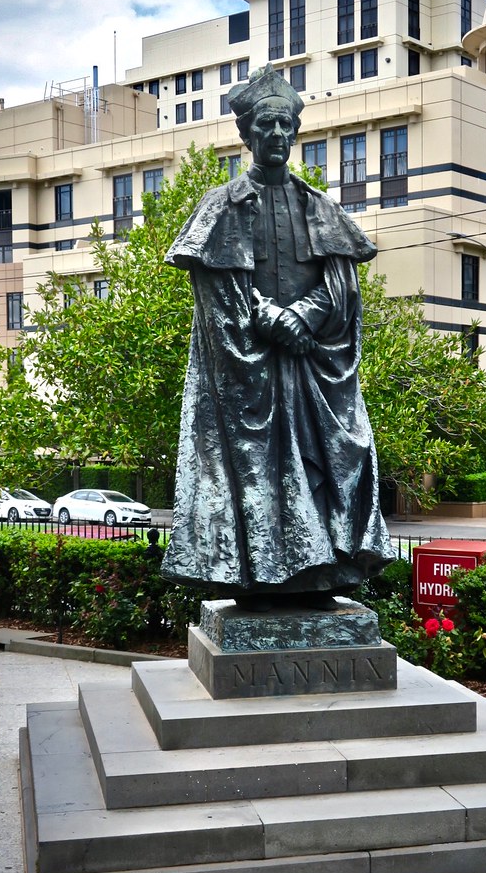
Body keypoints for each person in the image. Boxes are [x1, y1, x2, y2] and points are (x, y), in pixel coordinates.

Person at [161, 64, 394, 610]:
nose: (278, 136)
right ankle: (260, 576)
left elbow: (343, 285)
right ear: (247, 134)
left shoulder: (321, 208)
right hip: (252, 374)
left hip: (312, 368)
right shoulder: (220, 207)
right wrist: (268, 317)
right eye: (266, 126)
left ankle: (323, 573)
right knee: (258, 470)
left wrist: (304, 316)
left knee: (341, 455)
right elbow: (218, 289)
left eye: (286, 126)